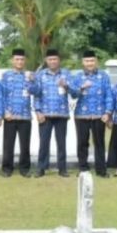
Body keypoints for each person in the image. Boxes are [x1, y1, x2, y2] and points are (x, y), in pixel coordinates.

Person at [69, 51, 112, 177]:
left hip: (99, 115)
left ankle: (101, 170)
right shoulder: (77, 77)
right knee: (82, 143)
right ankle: (83, 169)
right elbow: (73, 94)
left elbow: (108, 95)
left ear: (96, 61)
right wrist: (82, 87)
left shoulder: (104, 76)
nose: (90, 63)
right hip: (82, 115)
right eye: (87, 61)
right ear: (83, 62)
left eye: (92, 61)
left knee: (99, 143)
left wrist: (108, 112)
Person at [34, 49, 71, 177]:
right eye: (50, 59)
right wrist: (38, 111)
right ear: (46, 61)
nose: (53, 61)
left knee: (61, 143)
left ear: (59, 60)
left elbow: (75, 92)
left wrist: (66, 86)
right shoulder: (40, 75)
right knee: (44, 142)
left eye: (55, 59)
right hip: (45, 114)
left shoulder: (66, 74)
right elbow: (37, 95)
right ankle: (41, 168)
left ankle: (62, 169)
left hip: (61, 114)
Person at [0, 49, 35, 177]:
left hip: (25, 115)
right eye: (17, 59)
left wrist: (32, 81)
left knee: (25, 145)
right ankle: (7, 169)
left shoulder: (29, 75)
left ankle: (24, 169)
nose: (19, 62)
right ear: (12, 60)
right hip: (10, 116)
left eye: (22, 59)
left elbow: (36, 92)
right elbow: (1, 96)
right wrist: (4, 112)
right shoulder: (6, 75)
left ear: (25, 61)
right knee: (8, 144)